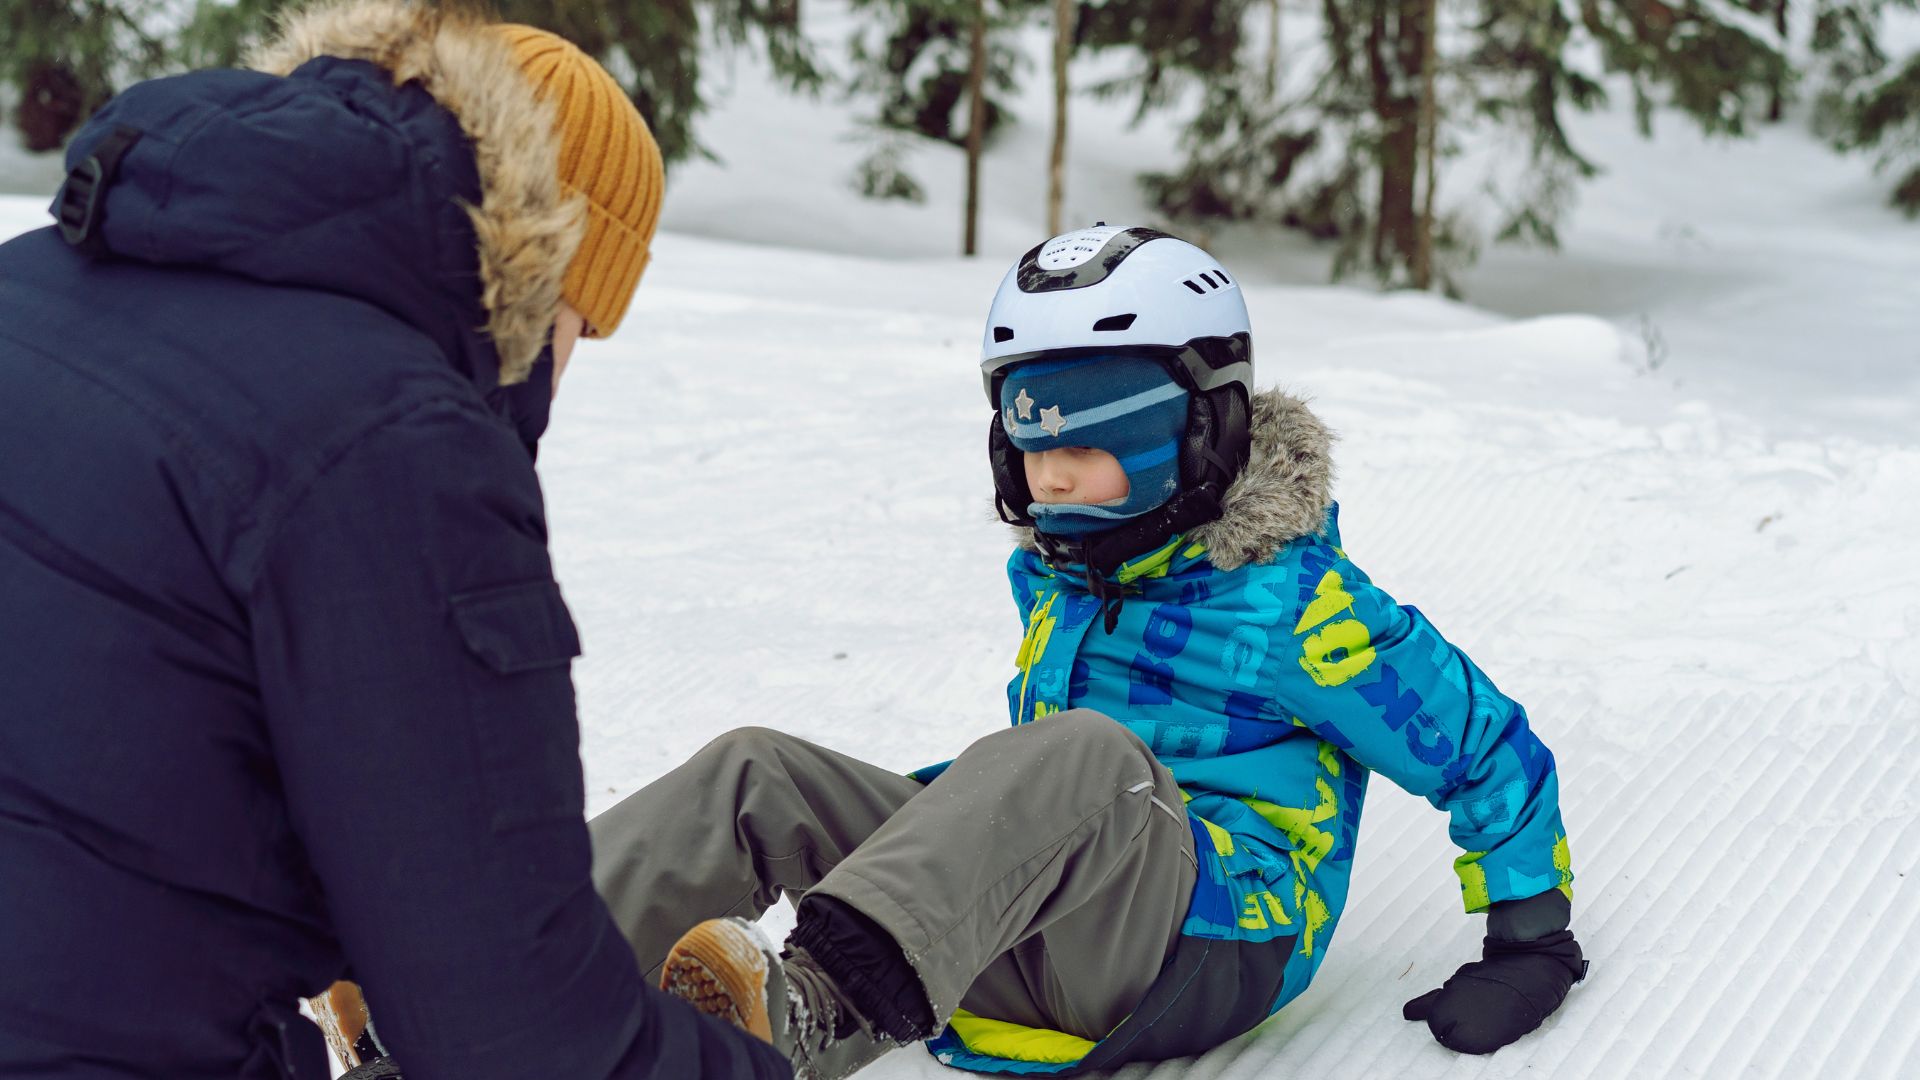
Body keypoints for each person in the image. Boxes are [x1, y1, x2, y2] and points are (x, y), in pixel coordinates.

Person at [592, 226, 1588, 1078]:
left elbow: (1481, 743)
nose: (1055, 471)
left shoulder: (1291, 604)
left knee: (1091, 753)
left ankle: (813, 1013)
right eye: (1034, 436)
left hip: (1214, 932)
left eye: (1096, 435)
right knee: (757, 773)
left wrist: (1531, 940)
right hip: (1043, 917)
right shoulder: (1067, 574)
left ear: (1199, 430)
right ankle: (499, 980)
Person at [0, 2, 788, 1077]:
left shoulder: (29, 285)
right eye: (580, 324)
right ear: (538, 256)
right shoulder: (396, 444)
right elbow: (526, 1041)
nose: (565, 369)